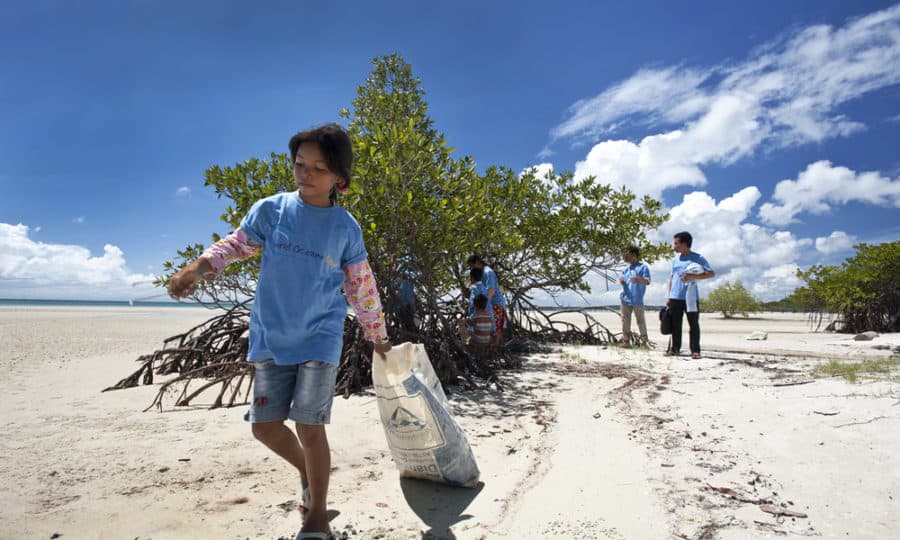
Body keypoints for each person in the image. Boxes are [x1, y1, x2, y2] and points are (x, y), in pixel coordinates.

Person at [167, 124, 391, 540]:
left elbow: (361, 285)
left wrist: (376, 335)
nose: (305, 174)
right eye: (299, 164)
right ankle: (311, 473)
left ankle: (317, 516)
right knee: (265, 427)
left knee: (309, 428)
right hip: (271, 336)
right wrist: (195, 269)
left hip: (320, 338)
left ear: (339, 178)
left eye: (318, 168)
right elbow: (234, 246)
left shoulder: (346, 227)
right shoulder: (272, 210)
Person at [665, 231, 714, 359]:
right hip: (675, 296)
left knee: (693, 324)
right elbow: (672, 278)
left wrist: (693, 276)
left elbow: (711, 273)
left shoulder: (698, 258)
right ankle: (675, 349)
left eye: (676, 243)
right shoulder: (675, 260)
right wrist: (669, 296)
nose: (674, 246)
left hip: (691, 297)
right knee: (675, 325)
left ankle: (695, 351)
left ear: (684, 244)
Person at [467, 254, 507, 345]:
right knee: (495, 329)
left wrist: (481, 305)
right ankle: (495, 351)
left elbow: (491, 291)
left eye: (472, 266)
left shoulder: (488, 272)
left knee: (496, 330)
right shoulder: (482, 272)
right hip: (490, 303)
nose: (472, 269)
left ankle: (495, 351)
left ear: (477, 262)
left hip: (496, 303)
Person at [618, 245, 651, 347]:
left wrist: (638, 279)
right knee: (625, 321)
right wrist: (622, 282)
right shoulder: (626, 270)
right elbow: (622, 280)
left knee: (640, 321)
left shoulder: (643, 267)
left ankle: (644, 342)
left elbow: (647, 281)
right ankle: (626, 341)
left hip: (637, 299)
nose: (625, 257)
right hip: (625, 298)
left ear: (633, 255)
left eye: (627, 255)